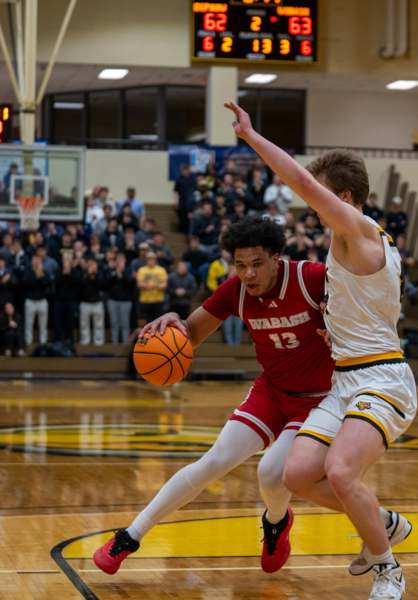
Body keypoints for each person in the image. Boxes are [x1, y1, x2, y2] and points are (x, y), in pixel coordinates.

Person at [223, 103, 415, 599]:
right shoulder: (346, 243)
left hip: (381, 378)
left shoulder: (360, 233)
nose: (310, 201)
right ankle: (382, 523)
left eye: (320, 193)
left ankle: (387, 569)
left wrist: (253, 138)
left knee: (342, 470)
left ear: (344, 197)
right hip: (346, 378)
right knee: (298, 474)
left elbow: (302, 184)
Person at [93, 217, 335, 576]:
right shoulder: (235, 290)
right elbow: (190, 333)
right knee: (213, 461)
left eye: (256, 264)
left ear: (276, 258)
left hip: (318, 399)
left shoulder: (312, 278)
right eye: (240, 265)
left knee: (271, 472)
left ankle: (276, 523)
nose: (248, 274)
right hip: (271, 391)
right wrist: (174, 322)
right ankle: (130, 535)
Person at [23, 255, 52, 346]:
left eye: (38, 260)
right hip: (30, 301)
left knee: (43, 324)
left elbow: (47, 284)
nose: (36, 262)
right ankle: (28, 341)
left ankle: (43, 342)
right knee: (29, 324)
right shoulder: (28, 271)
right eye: (34, 259)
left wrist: (41, 274)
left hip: (42, 301)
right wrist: (36, 275)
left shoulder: (44, 272)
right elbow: (27, 284)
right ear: (32, 261)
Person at [106, 253, 135, 344]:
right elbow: (106, 283)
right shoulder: (111, 270)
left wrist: (122, 273)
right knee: (114, 323)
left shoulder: (129, 270)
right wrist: (116, 273)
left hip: (125, 301)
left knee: (125, 323)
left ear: (125, 260)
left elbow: (130, 283)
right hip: (113, 300)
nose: (120, 261)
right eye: (119, 259)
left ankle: (125, 343)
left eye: (122, 259)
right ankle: (115, 343)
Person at [78, 257, 106, 346]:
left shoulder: (100, 274)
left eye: (93, 264)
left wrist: (95, 274)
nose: (91, 266)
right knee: (84, 324)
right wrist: (88, 274)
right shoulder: (82, 274)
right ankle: (85, 340)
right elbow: (80, 285)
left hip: (97, 303)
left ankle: (99, 341)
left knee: (99, 324)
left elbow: (103, 284)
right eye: (89, 264)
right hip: (85, 302)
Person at [135, 252, 167, 324]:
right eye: (149, 259)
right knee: (144, 322)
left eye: (152, 259)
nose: (151, 261)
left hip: (158, 300)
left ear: (155, 260)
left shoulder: (161, 270)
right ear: (146, 260)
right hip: (145, 300)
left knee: (158, 322)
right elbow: (139, 284)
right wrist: (153, 286)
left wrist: (152, 286)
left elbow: (164, 285)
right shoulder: (141, 270)